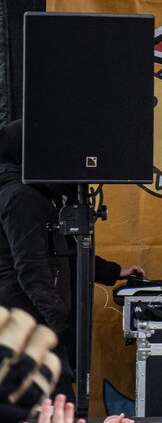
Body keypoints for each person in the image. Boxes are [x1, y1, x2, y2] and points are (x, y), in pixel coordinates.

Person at [0, 120, 143, 396]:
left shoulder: (31, 194)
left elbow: (63, 252)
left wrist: (113, 272)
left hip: (31, 321)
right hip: (27, 323)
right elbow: (30, 267)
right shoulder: (22, 198)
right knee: (53, 405)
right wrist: (58, 323)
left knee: (55, 403)